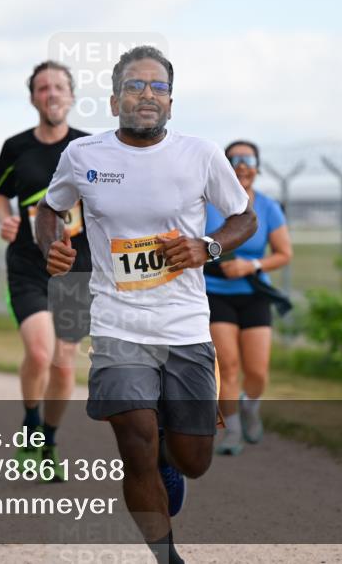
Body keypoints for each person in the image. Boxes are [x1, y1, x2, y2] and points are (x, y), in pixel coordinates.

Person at [36, 46, 257, 564]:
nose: (147, 96)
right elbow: (51, 208)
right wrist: (52, 246)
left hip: (184, 325)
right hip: (117, 323)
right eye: (135, 86)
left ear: (172, 103)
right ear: (115, 101)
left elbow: (244, 218)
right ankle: (166, 557)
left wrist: (210, 247)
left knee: (194, 458)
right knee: (134, 441)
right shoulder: (84, 156)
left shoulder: (200, 154)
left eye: (158, 87)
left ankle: (168, 454)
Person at [0, 60, 92, 480]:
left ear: (71, 96)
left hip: (74, 266)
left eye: (59, 87)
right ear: (33, 97)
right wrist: (6, 220)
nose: (51, 94)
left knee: (65, 363)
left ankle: (48, 441)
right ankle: (30, 424)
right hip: (29, 263)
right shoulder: (16, 147)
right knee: (38, 352)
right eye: (43, 88)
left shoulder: (90, 148)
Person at [204, 141, 292, 456]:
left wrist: (251, 265)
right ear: (226, 166)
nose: (242, 165)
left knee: (257, 371)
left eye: (249, 159)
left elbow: (284, 254)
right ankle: (232, 432)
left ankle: (249, 407)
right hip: (216, 294)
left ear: (257, 166)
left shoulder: (268, 207)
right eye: (235, 159)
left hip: (254, 294)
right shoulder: (208, 205)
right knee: (227, 366)